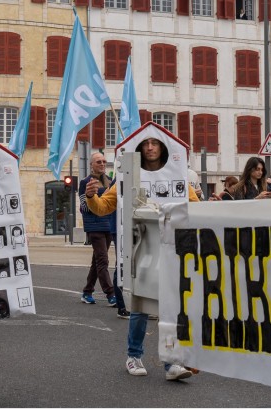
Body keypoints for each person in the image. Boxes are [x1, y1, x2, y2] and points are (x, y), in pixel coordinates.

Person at [85, 137, 199, 381]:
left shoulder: (176, 175)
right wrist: (92, 197)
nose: (149, 148)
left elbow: (196, 207)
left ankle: (171, 363)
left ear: (162, 148)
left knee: (172, 308)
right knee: (140, 306)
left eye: (154, 144)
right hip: (141, 249)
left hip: (173, 249)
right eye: (145, 144)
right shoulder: (128, 176)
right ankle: (133, 355)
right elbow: (104, 206)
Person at [77, 153, 116, 307]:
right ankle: (111, 294)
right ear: (91, 165)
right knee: (103, 261)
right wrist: (96, 198)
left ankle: (87, 292)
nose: (102, 164)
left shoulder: (110, 181)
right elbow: (83, 207)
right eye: (98, 162)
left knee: (97, 261)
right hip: (94, 226)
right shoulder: (85, 182)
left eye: (104, 161)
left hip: (108, 225)